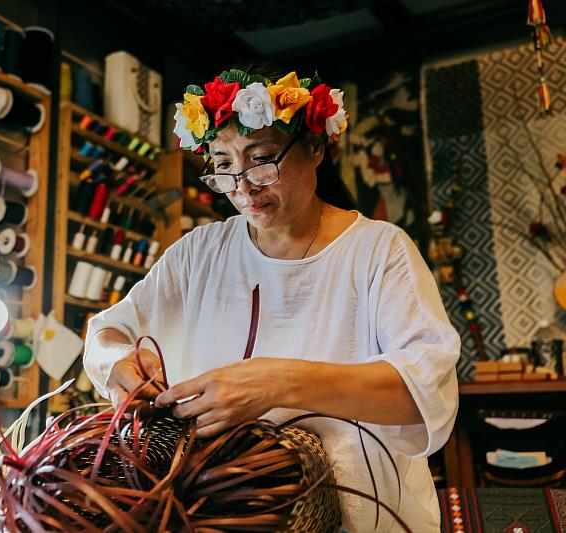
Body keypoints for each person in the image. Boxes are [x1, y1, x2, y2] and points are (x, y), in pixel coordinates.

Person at [83, 66, 460, 532]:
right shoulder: (199, 253)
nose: (243, 187)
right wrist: (123, 362)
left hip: (360, 514)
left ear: (316, 148)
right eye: (223, 165)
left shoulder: (378, 250)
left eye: (262, 160)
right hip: (225, 512)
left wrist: (278, 383)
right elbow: (104, 332)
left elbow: (423, 395)